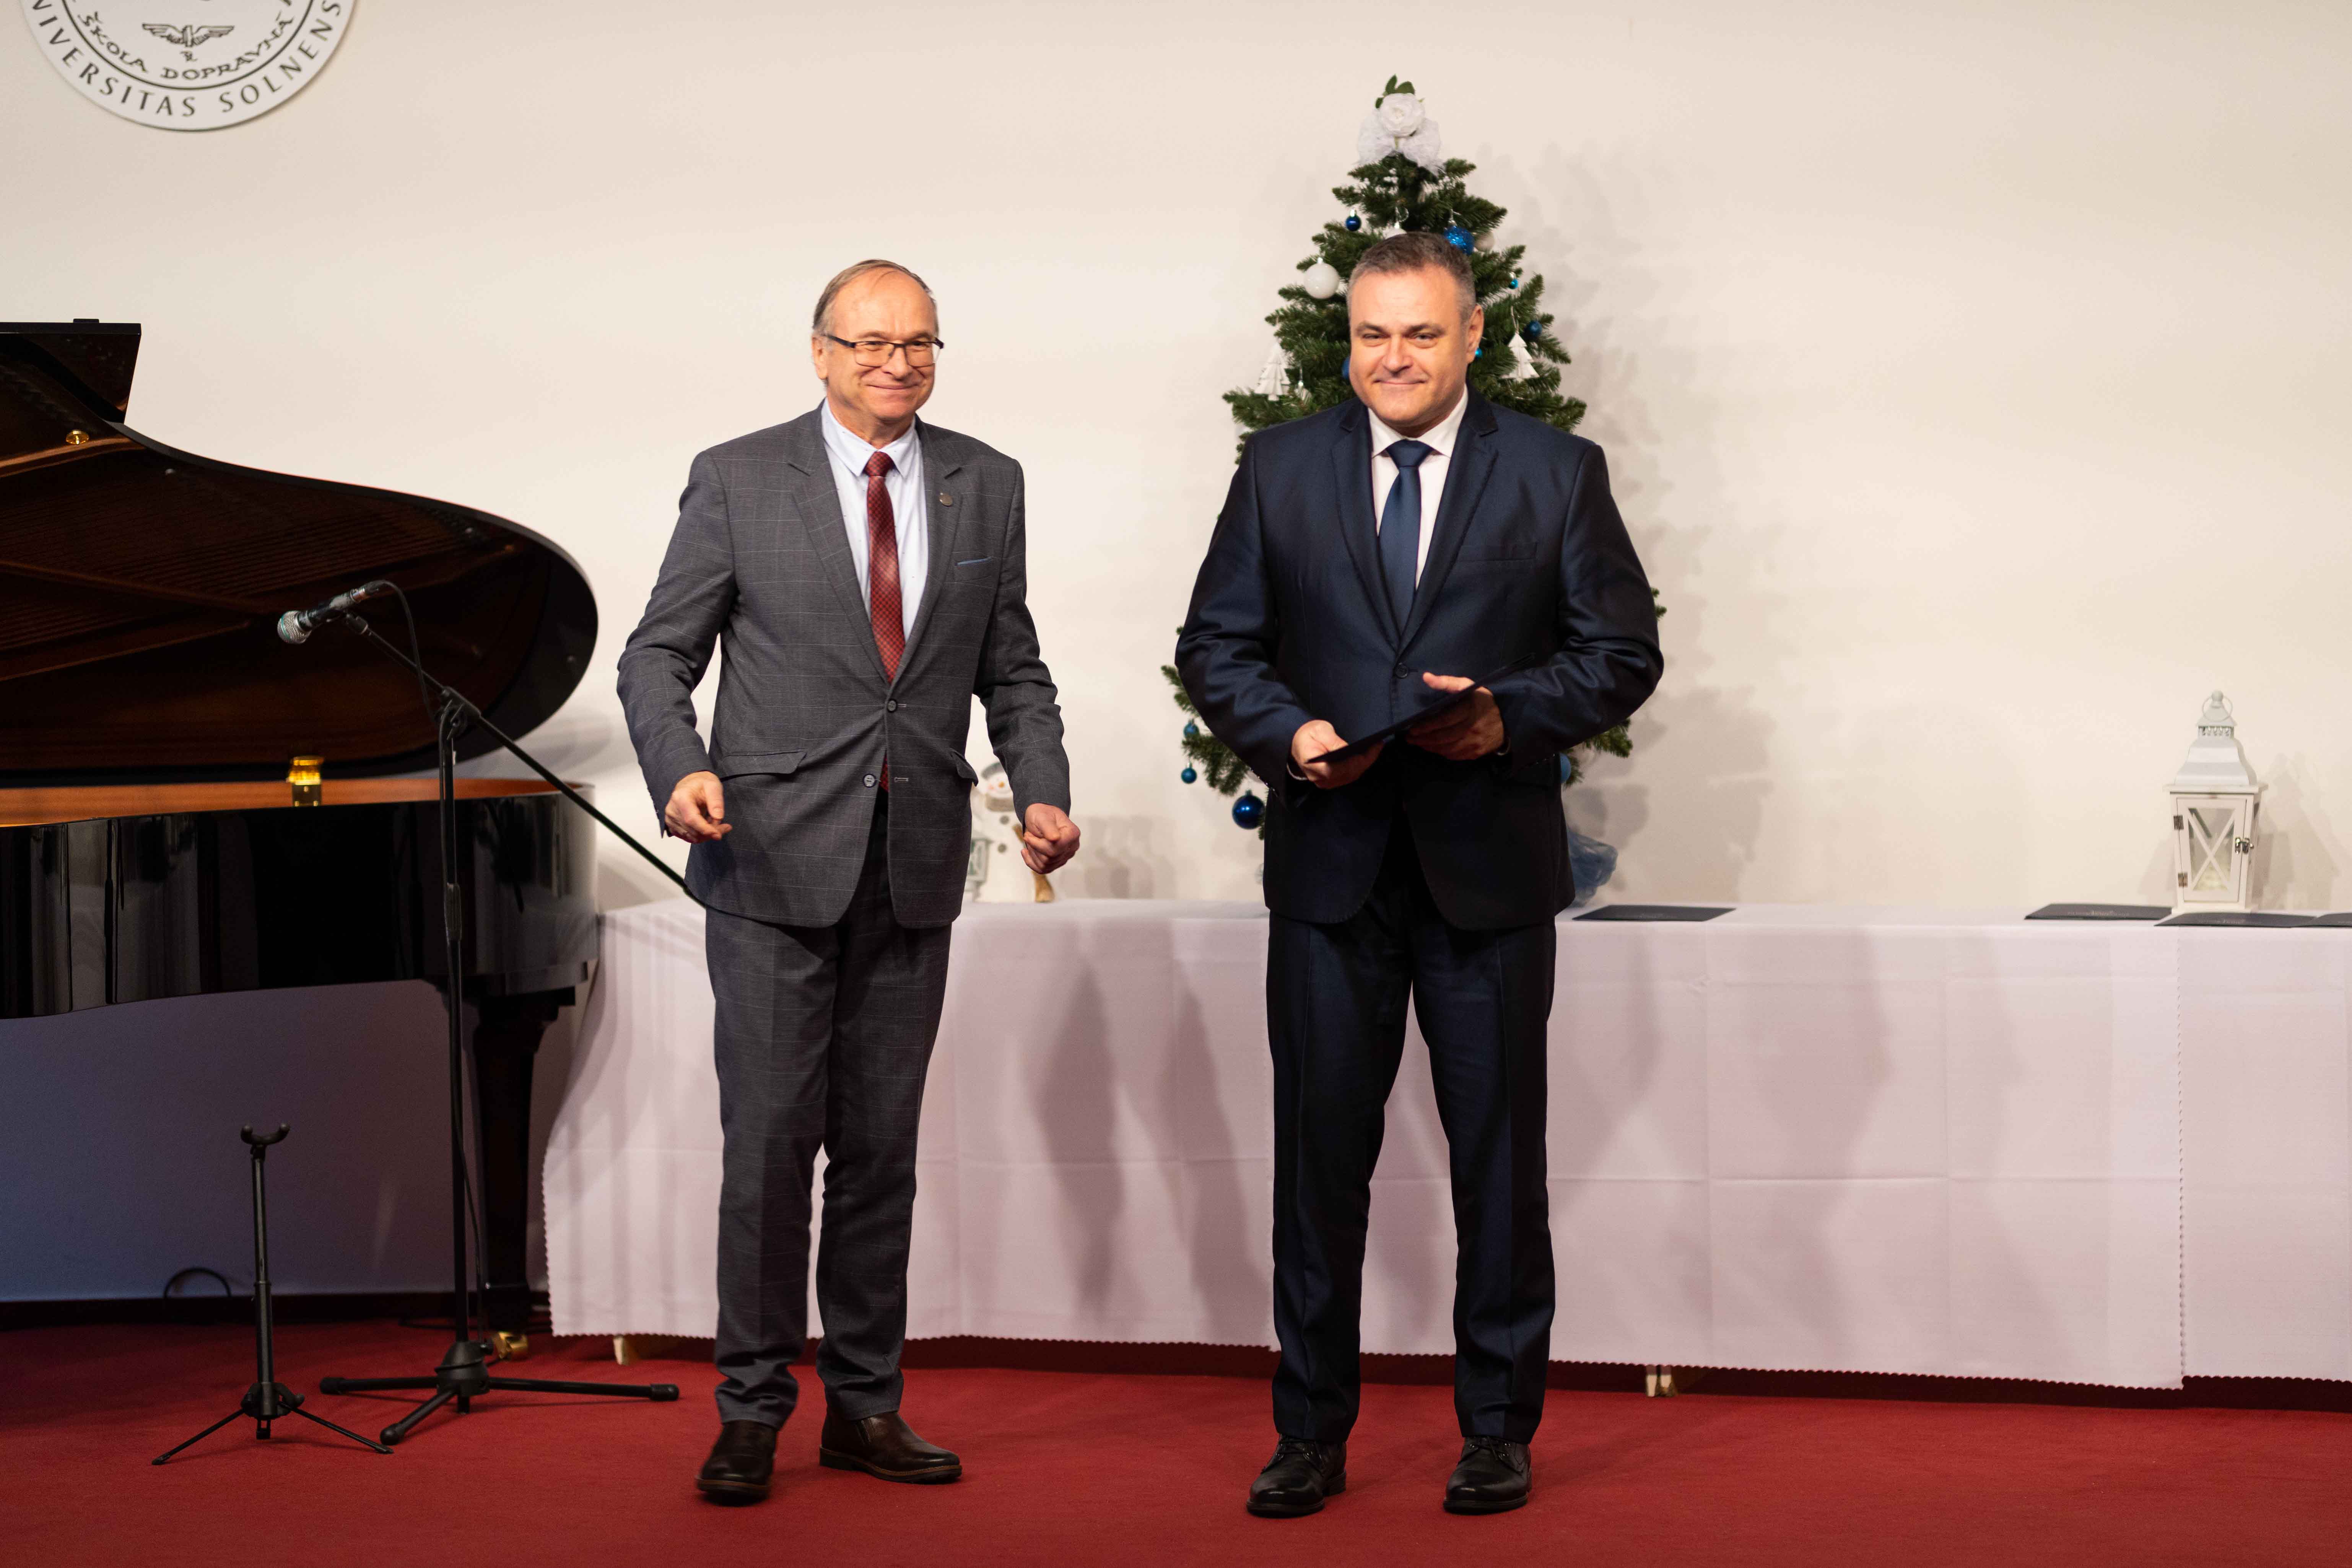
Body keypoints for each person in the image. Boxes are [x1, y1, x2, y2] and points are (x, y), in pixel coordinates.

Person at [1176, 230, 1662, 1518]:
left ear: (1474, 335)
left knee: (1498, 1165)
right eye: (1372, 334)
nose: (1393, 358)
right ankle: (1309, 1432)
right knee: (1316, 1165)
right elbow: (1215, 642)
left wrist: (1507, 717)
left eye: (1421, 333)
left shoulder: (1555, 471)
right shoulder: (1278, 467)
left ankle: (1497, 1428)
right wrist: (1290, 733)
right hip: (1329, 872)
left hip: (1485, 875)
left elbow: (1621, 650)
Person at [618, 259, 1080, 1504]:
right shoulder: (736, 477)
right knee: (770, 1152)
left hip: (914, 864)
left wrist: (1042, 785)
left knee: (881, 1157)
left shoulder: (989, 480)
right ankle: (751, 1409)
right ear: (820, 352)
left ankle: (866, 1406)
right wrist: (680, 766)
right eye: (871, 342)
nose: (897, 363)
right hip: (768, 862)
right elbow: (657, 657)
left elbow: (1012, 666)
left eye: (919, 342)